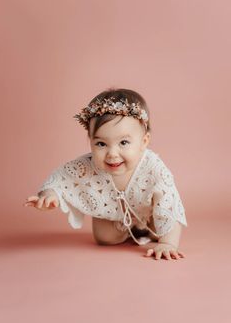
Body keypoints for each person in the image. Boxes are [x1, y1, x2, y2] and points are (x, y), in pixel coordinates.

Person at [24, 88, 187, 260]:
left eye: (123, 142)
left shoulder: (153, 167)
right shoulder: (87, 165)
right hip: (113, 216)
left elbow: (170, 202)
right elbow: (62, 177)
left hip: (148, 213)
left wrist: (168, 244)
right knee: (104, 238)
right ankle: (126, 229)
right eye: (101, 144)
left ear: (144, 141)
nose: (112, 154)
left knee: (162, 227)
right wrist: (50, 195)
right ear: (90, 141)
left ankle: (146, 227)